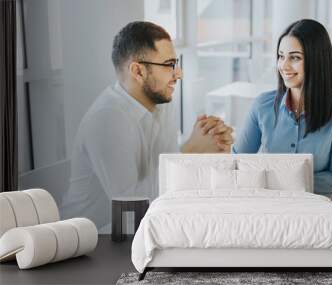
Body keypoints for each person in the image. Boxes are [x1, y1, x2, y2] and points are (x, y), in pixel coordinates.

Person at [61, 21, 233, 231]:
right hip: (94, 239)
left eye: (175, 63)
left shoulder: (161, 104)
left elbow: (166, 187)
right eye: (169, 65)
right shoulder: (107, 119)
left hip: (144, 227)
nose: (178, 74)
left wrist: (211, 148)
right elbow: (129, 213)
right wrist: (191, 152)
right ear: (138, 71)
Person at [233, 19, 332, 194]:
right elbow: (236, 163)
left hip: (316, 211)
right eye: (281, 56)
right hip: (266, 207)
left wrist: (271, 182)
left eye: (295, 57)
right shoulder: (262, 106)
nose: (284, 66)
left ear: (317, 60)